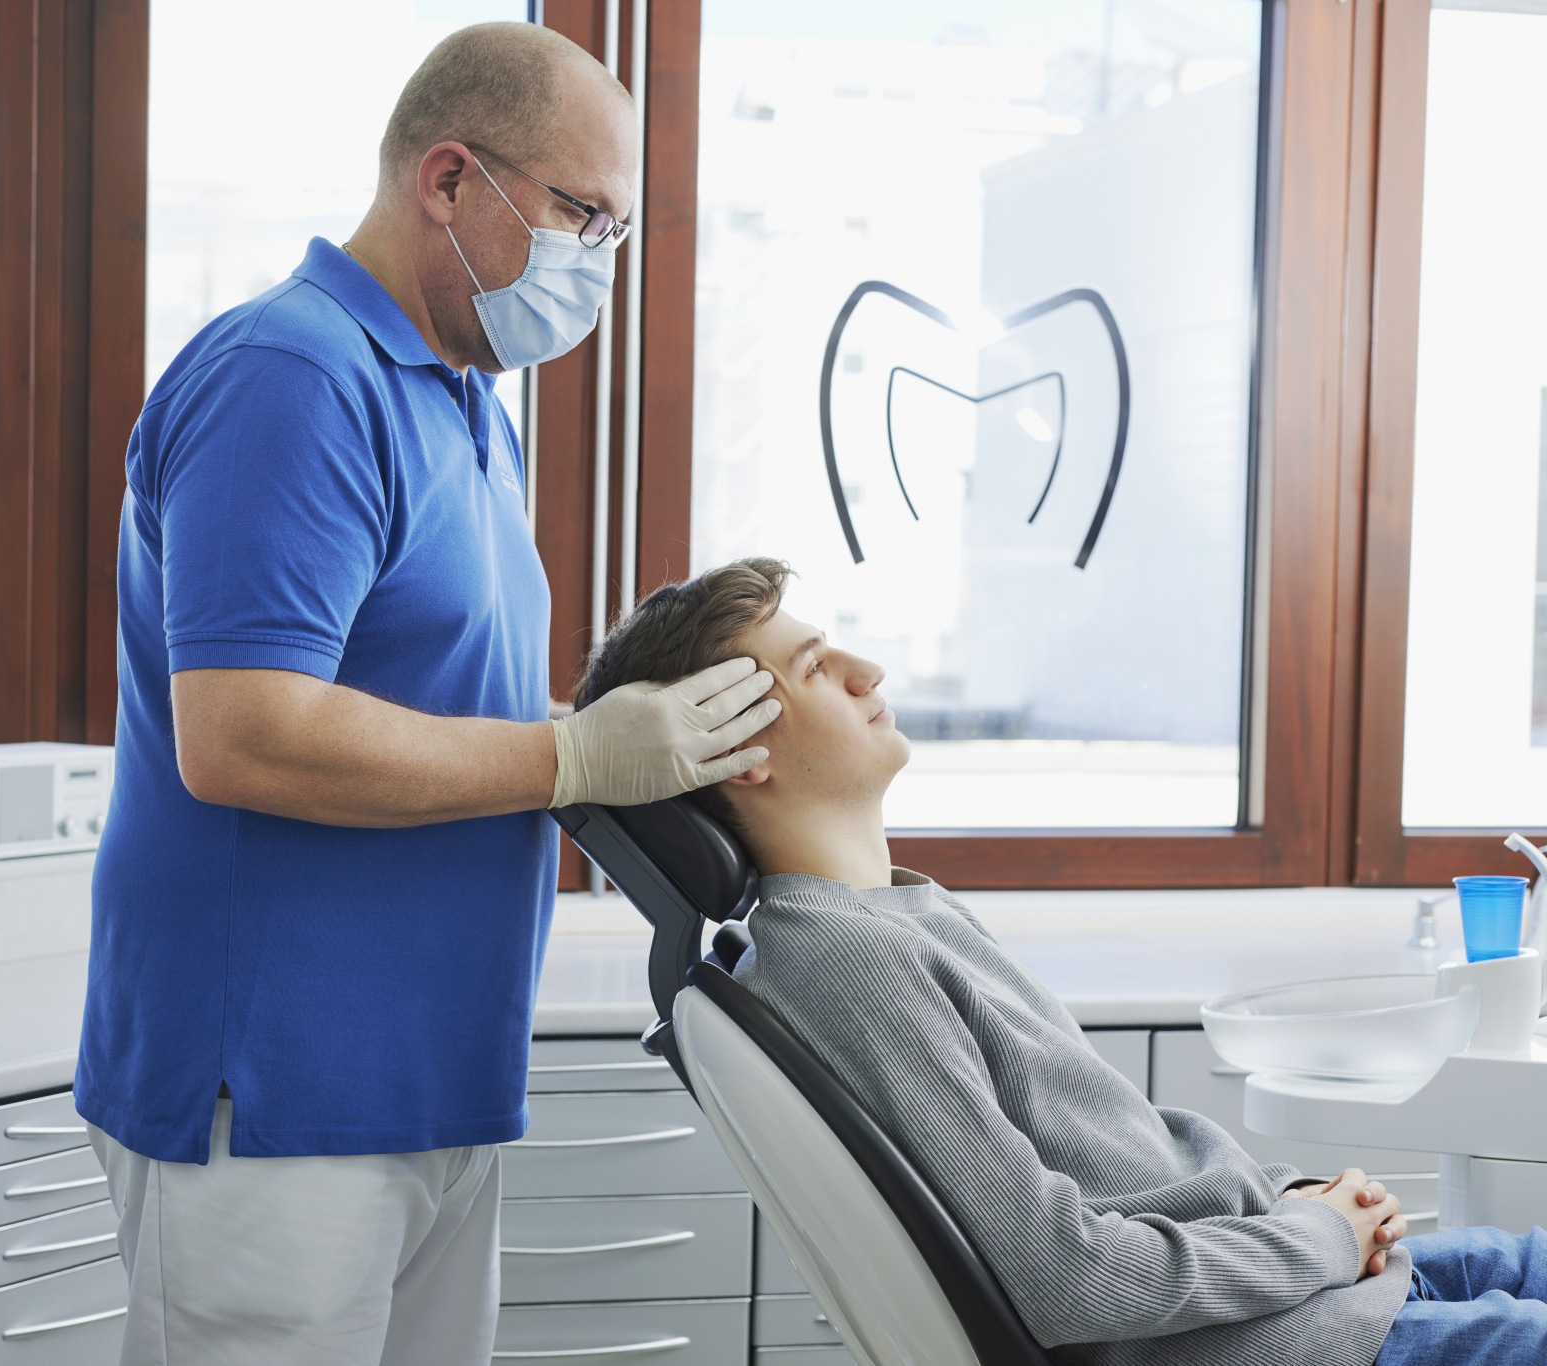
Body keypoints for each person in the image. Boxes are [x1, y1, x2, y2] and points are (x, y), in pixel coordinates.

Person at [75, 23, 782, 1366]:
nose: (595, 265)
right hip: (275, 1089)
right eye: (580, 213)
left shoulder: (465, 406)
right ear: (448, 179)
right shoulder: (295, 376)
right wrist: (573, 757)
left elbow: (443, 706)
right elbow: (243, 734)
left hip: (428, 1073)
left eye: (615, 234)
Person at [573, 555, 1547, 1366]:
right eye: (817, 667)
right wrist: (1315, 1237)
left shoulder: (892, 916)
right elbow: (1065, 1278)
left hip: (1296, 1287)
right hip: (1289, 1335)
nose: (870, 671)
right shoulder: (846, 961)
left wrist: (1289, 1209)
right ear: (737, 748)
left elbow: (1113, 1174)